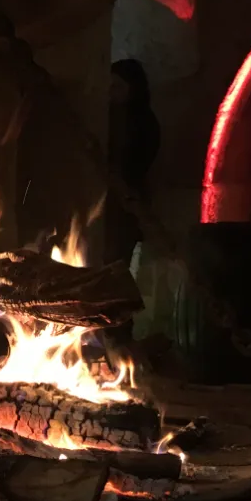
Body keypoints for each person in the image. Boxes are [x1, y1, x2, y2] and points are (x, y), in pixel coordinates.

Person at [104, 58, 161, 348]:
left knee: (118, 268)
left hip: (126, 207)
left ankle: (119, 335)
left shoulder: (142, 123)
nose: (111, 93)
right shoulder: (106, 119)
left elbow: (135, 164)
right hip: (106, 207)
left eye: (118, 86)